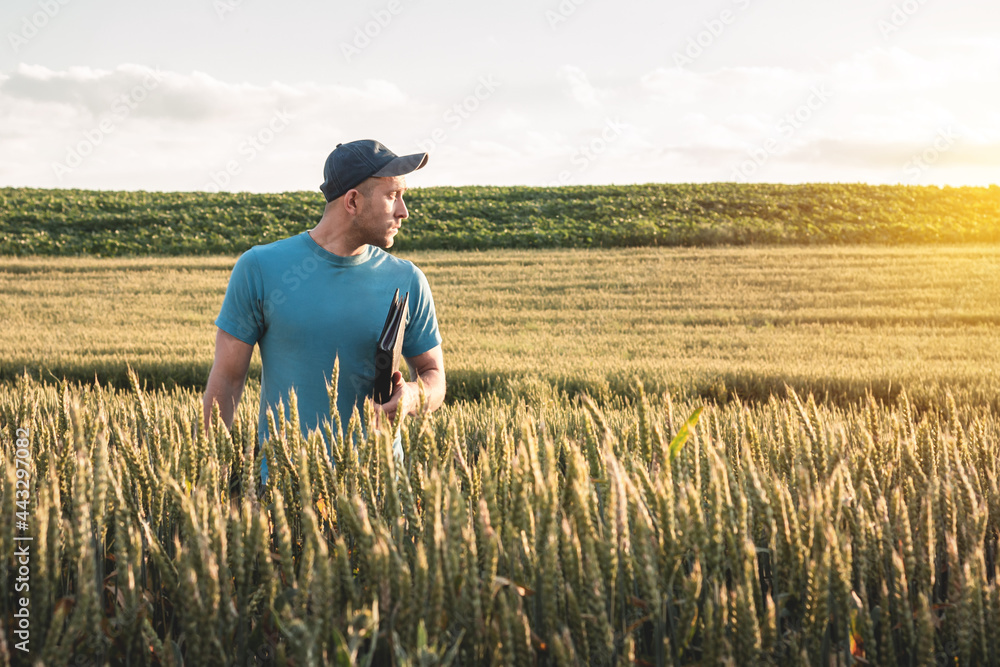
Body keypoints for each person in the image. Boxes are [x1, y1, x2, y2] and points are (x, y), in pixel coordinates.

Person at [202, 139, 446, 478]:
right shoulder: (260, 268)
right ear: (352, 201)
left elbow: (434, 376)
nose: (404, 211)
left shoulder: (408, 279)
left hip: (380, 496)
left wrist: (412, 398)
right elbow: (227, 379)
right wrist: (211, 475)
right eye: (392, 196)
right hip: (285, 495)